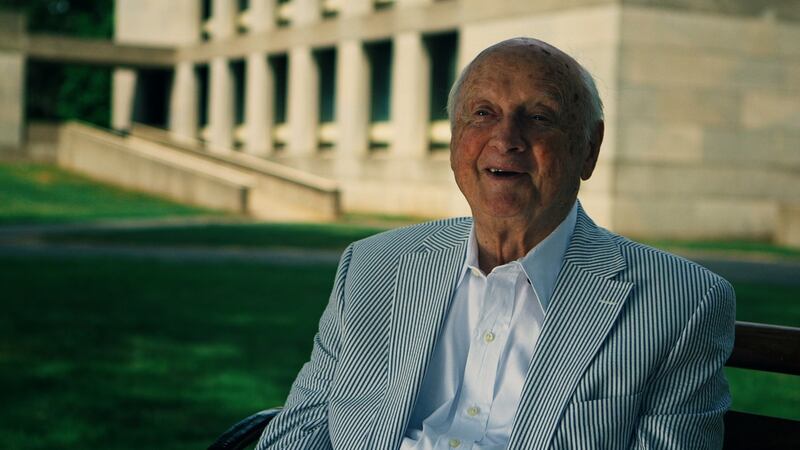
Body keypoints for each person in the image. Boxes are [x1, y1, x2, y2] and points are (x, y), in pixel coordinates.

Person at [256, 37, 735, 450]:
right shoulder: (372, 267)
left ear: (589, 148)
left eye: (540, 117)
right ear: (455, 139)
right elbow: (302, 429)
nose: (506, 139)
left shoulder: (679, 303)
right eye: (483, 114)